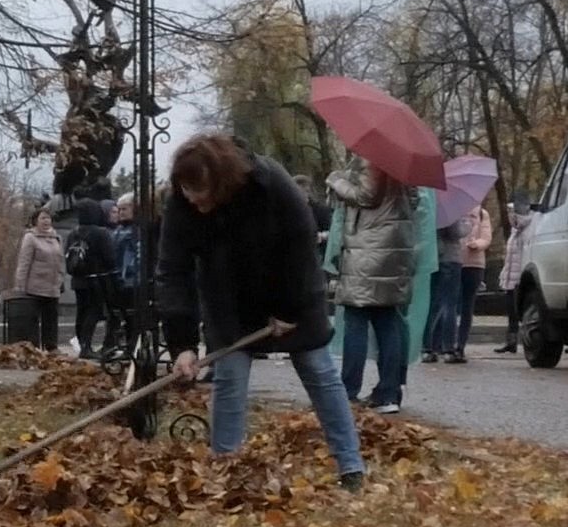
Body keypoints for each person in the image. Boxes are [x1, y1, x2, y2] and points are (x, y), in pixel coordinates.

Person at [158, 134, 366, 491]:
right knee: (230, 377)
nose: (193, 199)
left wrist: (289, 308)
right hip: (228, 298)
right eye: (187, 190)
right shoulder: (181, 203)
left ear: (223, 180)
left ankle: (351, 467)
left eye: (200, 190)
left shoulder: (271, 183)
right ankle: (226, 470)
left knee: (319, 370)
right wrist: (182, 344)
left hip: (291, 291)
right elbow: (173, 271)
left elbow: (300, 248)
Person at [326, 159, 418, 415]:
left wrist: (337, 181)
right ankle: (389, 393)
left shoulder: (374, 156)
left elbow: (367, 195)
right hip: (393, 250)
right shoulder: (403, 163)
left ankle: (347, 390)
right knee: (387, 320)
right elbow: (414, 200)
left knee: (355, 318)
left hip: (368, 251)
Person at [65, 199, 117, 359]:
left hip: (78, 279)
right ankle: (87, 346)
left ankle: (82, 343)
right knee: (94, 311)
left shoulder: (73, 233)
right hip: (96, 279)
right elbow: (109, 258)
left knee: (81, 312)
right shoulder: (101, 233)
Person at [13, 208, 65, 350]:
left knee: (51, 319)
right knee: (32, 320)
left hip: (53, 286)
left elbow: (60, 261)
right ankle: (34, 348)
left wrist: (61, 279)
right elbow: (24, 262)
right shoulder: (30, 237)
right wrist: (20, 286)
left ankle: (51, 347)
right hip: (35, 286)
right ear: (35, 220)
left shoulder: (56, 238)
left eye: (48, 218)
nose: (46, 221)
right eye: (43, 218)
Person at [450, 203, 492, 363]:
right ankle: (448, 343)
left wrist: (477, 244)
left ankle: (460, 346)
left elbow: (487, 238)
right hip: (455, 260)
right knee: (452, 304)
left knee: (467, 306)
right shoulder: (453, 210)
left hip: (474, 264)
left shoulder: (482, 213)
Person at [423, 217, 465, 363]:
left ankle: (427, 348)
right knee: (449, 304)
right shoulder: (449, 210)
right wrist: (468, 225)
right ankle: (448, 349)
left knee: (432, 304)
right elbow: (456, 232)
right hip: (450, 258)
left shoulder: (430, 206)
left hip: (433, 257)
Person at [496, 200, 533, 354]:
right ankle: (511, 342)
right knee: (511, 312)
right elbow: (510, 258)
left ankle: (528, 342)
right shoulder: (514, 232)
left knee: (523, 313)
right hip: (510, 278)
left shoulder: (528, 230)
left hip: (520, 278)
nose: (510, 216)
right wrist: (504, 275)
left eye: (512, 212)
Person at [108, 194, 140, 353]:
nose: (120, 212)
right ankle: (128, 346)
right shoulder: (118, 230)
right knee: (125, 317)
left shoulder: (137, 230)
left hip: (132, 279)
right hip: (119, 278)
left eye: (124, 209)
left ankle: (133, 347)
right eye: (119, 209)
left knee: (134, 317)